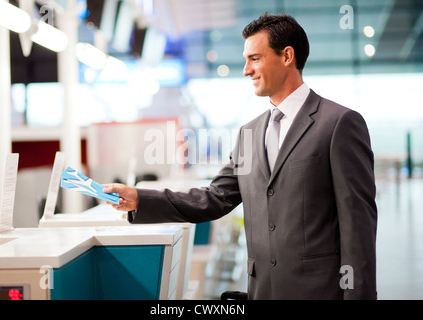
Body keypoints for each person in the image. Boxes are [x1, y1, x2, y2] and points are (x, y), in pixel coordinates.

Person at [103, 13, 377, 300]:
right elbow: (214, 198)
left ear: (287, 56)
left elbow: (358, 227)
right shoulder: (250, 133)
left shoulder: (338, 124)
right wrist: (140, 199)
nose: (246, 70)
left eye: (255, 58)